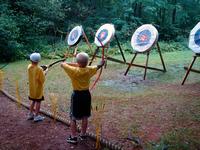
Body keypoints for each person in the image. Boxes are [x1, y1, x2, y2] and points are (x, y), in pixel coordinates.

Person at [61, 52, 105, 144]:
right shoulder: (89, 69)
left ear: (77, 62)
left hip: (77, 95)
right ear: (87, 62)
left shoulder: (73, 71)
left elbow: (62, 64)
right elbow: (98, 66)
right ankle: (83, 134)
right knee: (85, 116)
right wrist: (102, 63)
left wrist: (70, 63)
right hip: (86, 95)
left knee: (73, 117)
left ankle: (73, 137)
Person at [27, 52, 48, 122]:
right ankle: (36, 116)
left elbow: (35, 69)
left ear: (31, 60)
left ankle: (30, 114)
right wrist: (45, 72)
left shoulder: (29, 66)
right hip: (38, 90)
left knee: (33, 101)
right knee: (38, 102)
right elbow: (42, 80)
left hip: (32, 89)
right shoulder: (40, 69)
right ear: (39, 61)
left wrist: (42, 69)